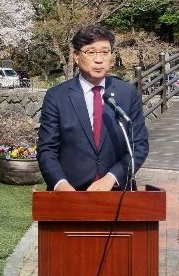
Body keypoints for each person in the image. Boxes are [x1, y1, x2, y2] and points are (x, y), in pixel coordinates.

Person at [37, 25, 149, 191]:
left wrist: (112, 177)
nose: (99, 59)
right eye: (91, 52)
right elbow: (47, 149)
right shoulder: (57, 96)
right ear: (76, 56)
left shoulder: (127, 93)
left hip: (117, 193)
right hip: (70, 193)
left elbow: (138, 146)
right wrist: (60, 184)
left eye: (105, 52)